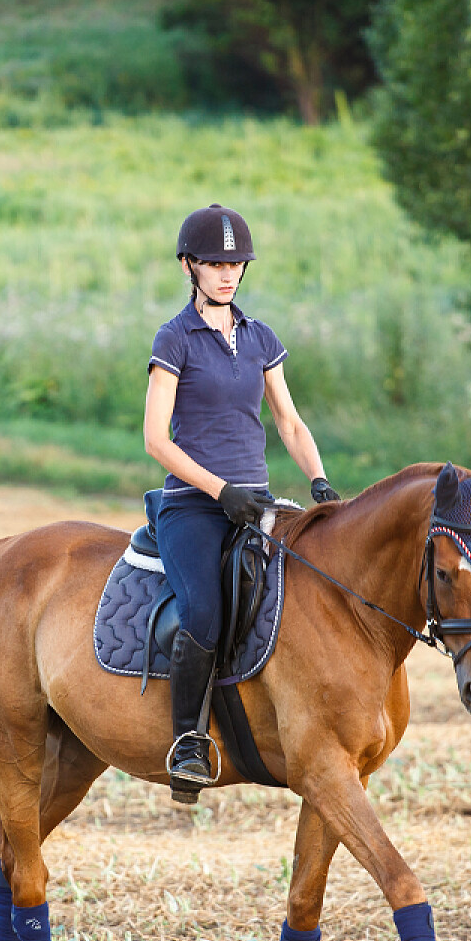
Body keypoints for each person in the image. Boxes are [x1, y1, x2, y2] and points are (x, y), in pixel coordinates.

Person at [143, 204, 341, 801]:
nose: (227, 274)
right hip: (192, 506)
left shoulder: (260, 338)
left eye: (236, 264)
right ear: (189, 266)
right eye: (214, 263)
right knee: (202, 612)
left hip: (256, 504)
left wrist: (321, 483)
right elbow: (155, 438)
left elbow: (288, 418)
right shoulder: (174, 338)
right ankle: (187, 743)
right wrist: (218, 491)